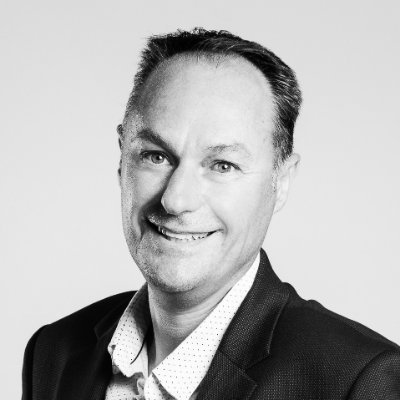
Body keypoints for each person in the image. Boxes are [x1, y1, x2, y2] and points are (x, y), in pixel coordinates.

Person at [22, 28, 400, 400]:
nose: (175, 200)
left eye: (222, 165)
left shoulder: (359, 382)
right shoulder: (54, 352)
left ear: (281, 181)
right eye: (156, 156)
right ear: (122, 159)